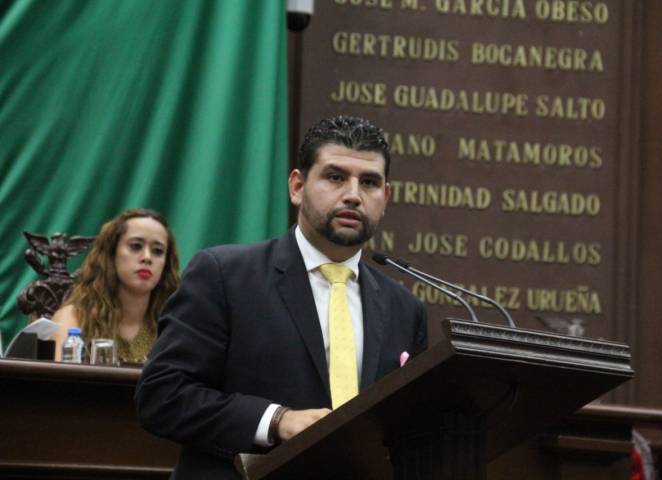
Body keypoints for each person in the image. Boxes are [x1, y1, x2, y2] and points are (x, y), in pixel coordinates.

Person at [135, 115, 428, 479]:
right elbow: (162, 395)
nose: (353, 194)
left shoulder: (404, 309)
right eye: (335, 177)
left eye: (369, 182)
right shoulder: (224, 275)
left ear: (385, 198)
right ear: (297, 186)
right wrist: (276, 420)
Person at [52, 208, 180, 363]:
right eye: (135, 246)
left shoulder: (174, 324)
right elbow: (59, 377)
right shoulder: (75, 318)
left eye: (158, 251)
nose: (147, 257)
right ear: (112, 253)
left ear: (166, 264)